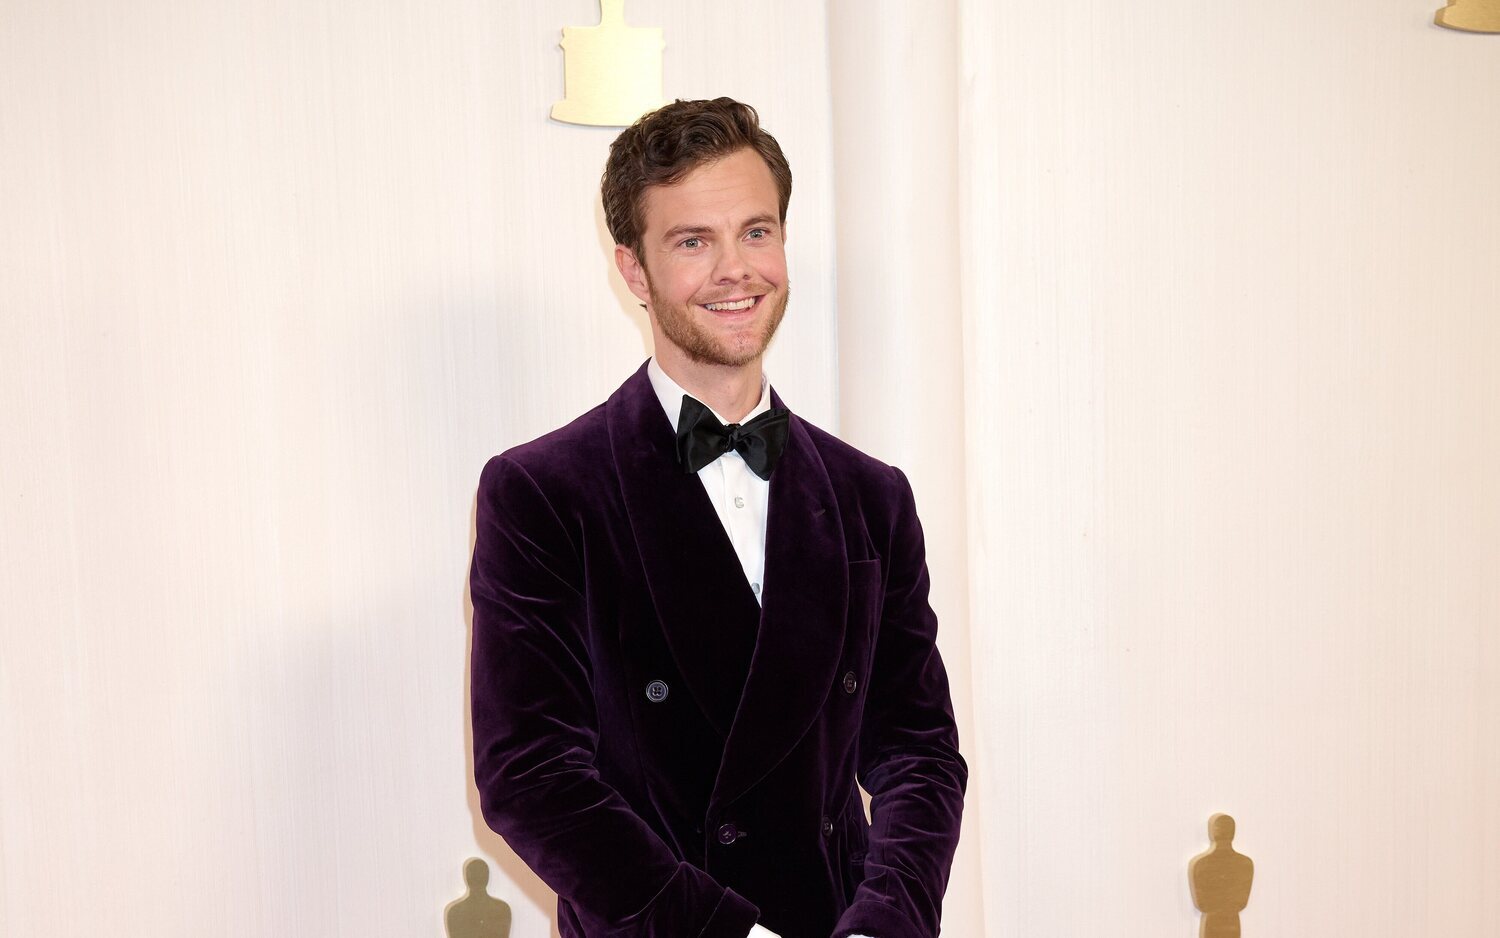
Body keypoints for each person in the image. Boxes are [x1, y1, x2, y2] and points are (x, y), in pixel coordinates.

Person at [469, 97, 965, 938]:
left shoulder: (872, 496)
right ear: (634, 270)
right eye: (694, 242)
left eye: (756, 231)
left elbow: (918, 750)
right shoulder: (543, 492)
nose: (737, 270)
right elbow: (532, 776)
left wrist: (888, 921)